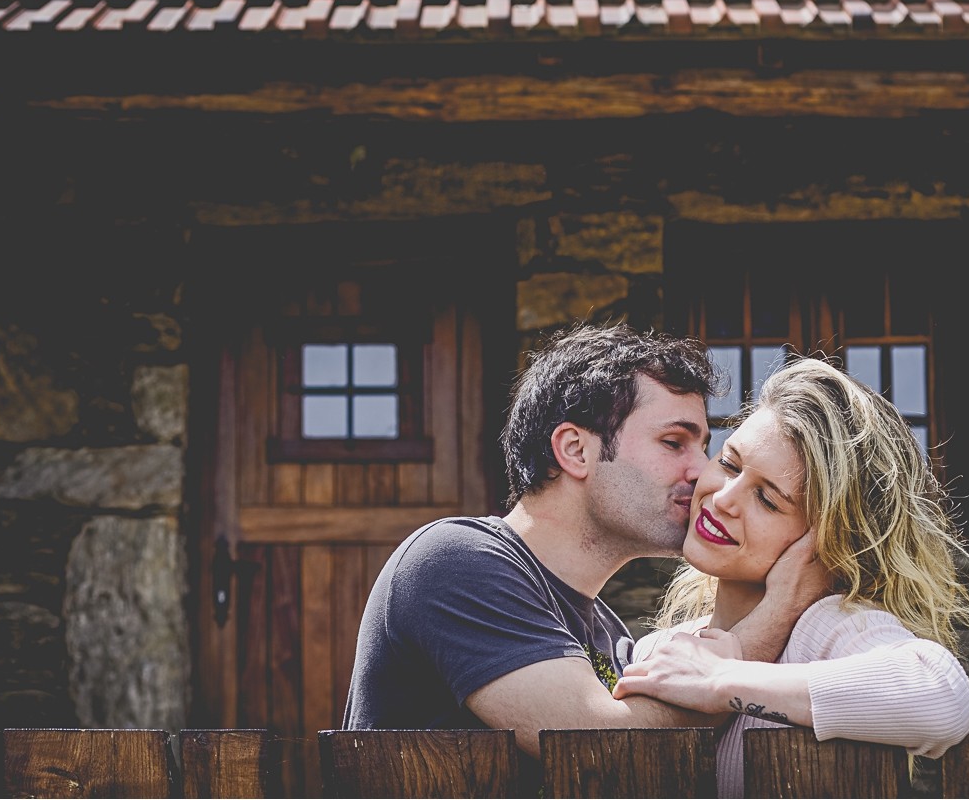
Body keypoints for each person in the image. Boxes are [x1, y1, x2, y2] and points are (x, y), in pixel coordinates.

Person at [342, 322, 828, 786]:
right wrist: (778, 611)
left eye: (704, 446)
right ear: (575, 450)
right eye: (674, 442)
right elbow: (600, 750)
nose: (701, 471)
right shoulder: (453, 561)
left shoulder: (608, 634)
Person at [612, 355, 969, 797]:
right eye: (729, 463)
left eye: (767, 499)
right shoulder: (658, 648)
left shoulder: (827, 629)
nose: (724, 498)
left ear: (823, 540)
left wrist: (722, 682)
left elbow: (942, 700)